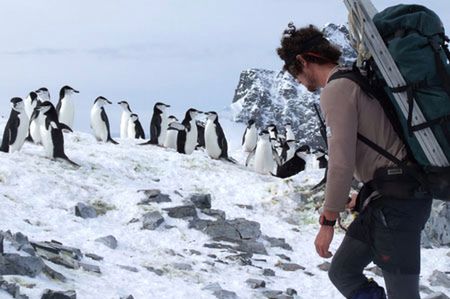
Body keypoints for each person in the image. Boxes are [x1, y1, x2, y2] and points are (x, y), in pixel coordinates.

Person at [276, 23, 433, 299]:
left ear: (303, 60)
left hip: (398, 206)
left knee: (403, 295)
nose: (297, 81)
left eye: (294, 73)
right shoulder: (354, 79)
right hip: (386, 197)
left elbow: (340, 162)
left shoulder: (336, 90)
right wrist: (363, 193)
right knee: (343, 272)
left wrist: (328, 221)